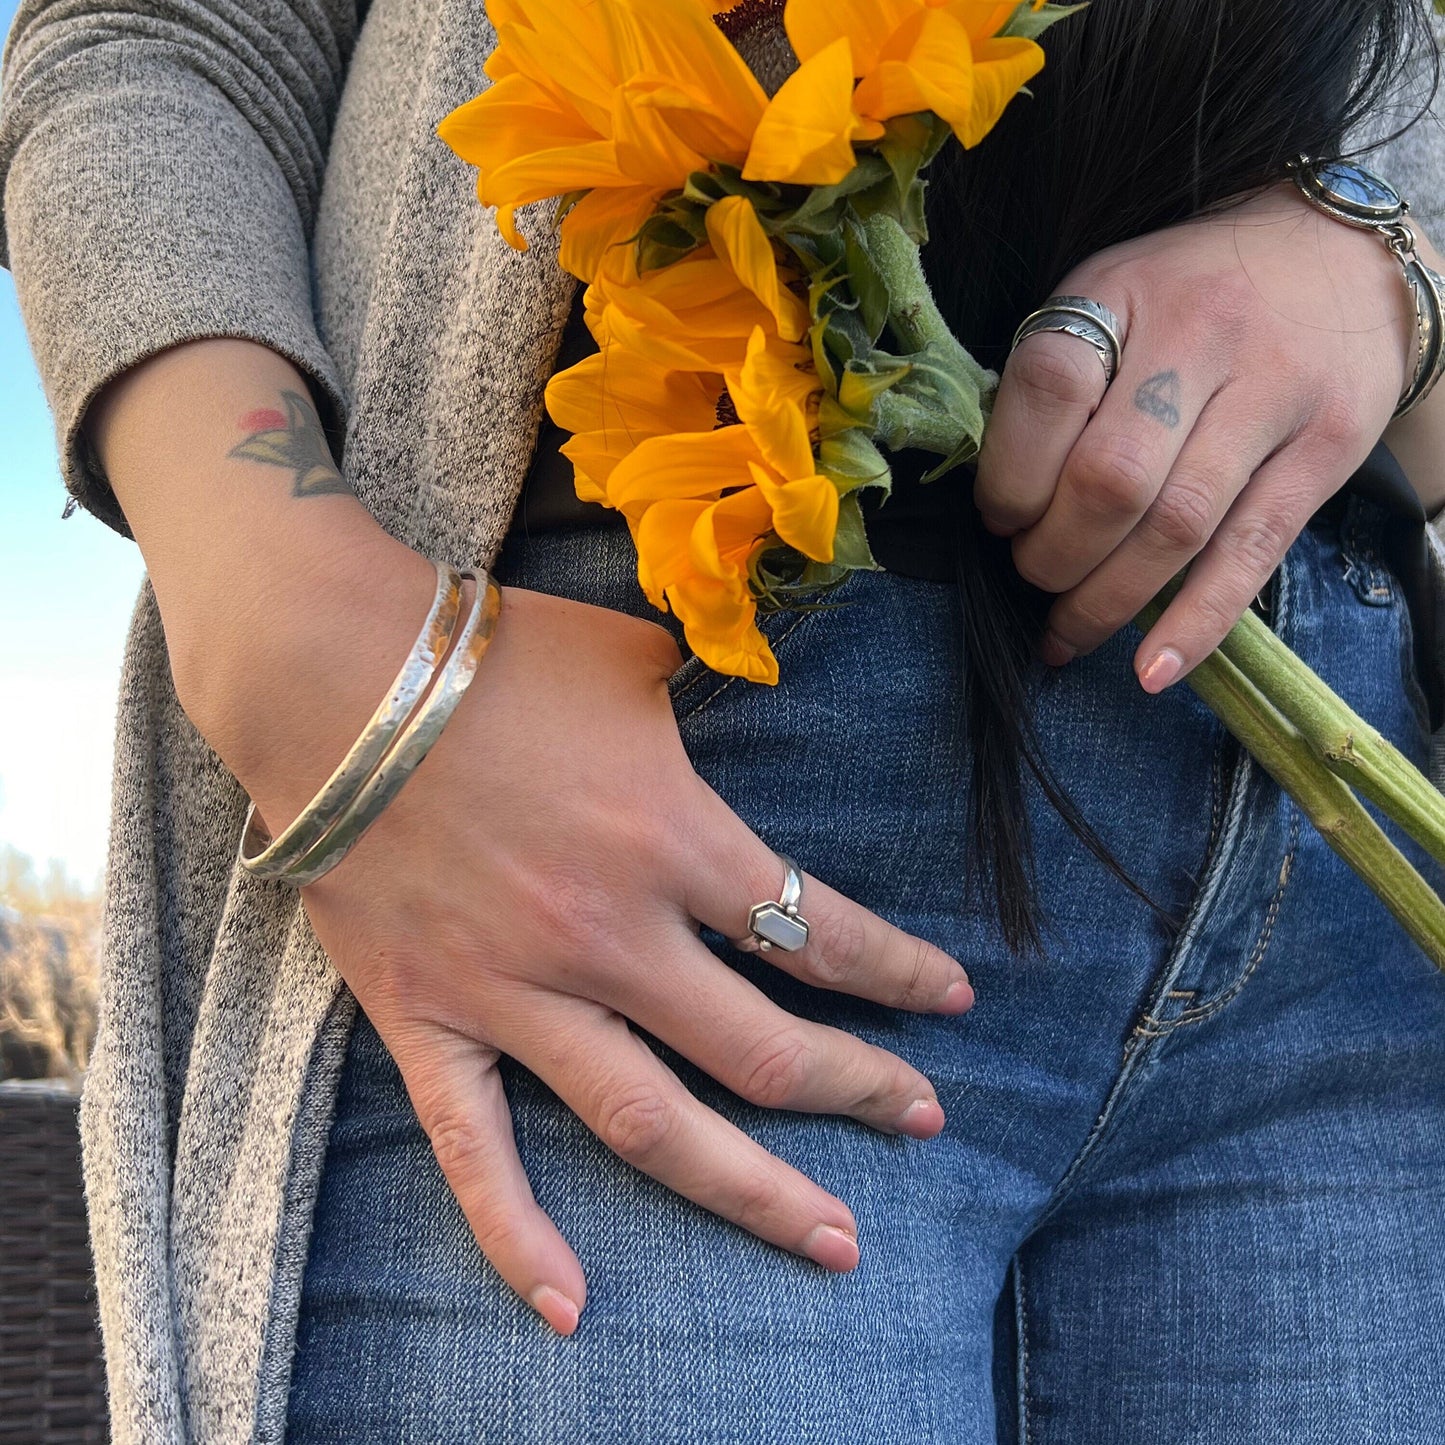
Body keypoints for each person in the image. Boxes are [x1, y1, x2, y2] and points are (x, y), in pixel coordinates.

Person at [2, 0, 1444, 1439]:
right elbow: (154, 35)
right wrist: (304, 644)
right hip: (618, 774)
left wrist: (1394, 271)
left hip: (1343, 857)